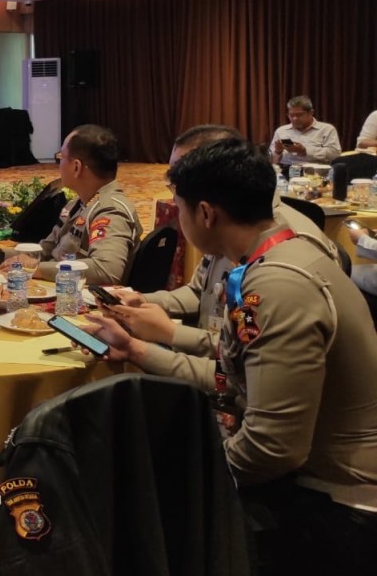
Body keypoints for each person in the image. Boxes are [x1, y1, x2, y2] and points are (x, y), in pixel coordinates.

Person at [82, 139, 377, 576]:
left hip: (341, 508)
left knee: (138, 506)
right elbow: (233, 375)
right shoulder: (271, 256)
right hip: (315, 482)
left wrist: (178, 481)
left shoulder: (279, 284)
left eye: (177, 209)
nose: (177, 221)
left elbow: (272, 449)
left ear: (205, 212)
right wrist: (138, 350)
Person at [100, 125, 339, 385]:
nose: (174, 187)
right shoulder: (235, 232)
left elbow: (250, 388)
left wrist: (169, 334)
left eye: (179, 178)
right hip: (222, 373)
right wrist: (140, 302)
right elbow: (202, 293)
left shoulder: (283, 265)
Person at [0, 124, 142, 285]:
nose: (58, 164)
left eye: (61, 157)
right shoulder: (77, 204)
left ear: (76, 167)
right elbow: (46, 250)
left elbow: (107, 270)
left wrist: (37, 269)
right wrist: (0, 254)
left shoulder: (110, 211)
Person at [269, 95, 341, 169]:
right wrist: (278, 152)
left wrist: (304, 151)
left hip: (316, 171)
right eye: (291, 115)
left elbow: (334, 154)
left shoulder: (326, 129)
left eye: (299, 115)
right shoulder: (281, 131)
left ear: (311, 112)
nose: (295, 119)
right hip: (286, 170)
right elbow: (271, 160)